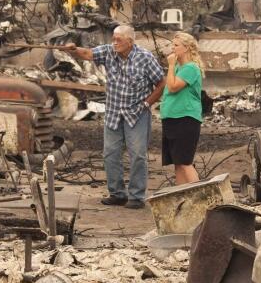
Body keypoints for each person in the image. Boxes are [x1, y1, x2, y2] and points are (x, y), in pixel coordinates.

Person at [64, 26, 165, 208]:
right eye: (114, 38)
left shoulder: (145, 58)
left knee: (138, 155)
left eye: (119, 39)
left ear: (130, 42)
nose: (115, 42)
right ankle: (117, 193)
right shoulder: (109, 52)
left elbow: (161, 83)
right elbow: (87, 53)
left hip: (137, 113)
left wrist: (147, 104)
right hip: (113, 112)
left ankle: (136, 197)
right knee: (110, 154)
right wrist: (73, 50)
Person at [160, 32, 204, 186]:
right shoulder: (179, 67)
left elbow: (172, 87)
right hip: (172, 118)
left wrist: (171, 64)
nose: (172, 48)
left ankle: (200, 197)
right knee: (177, 162)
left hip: (185, 119)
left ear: (186, 48)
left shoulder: (191, 68)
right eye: (172, 45)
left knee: (185, 161)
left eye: (176, 45)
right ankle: (181, 197)